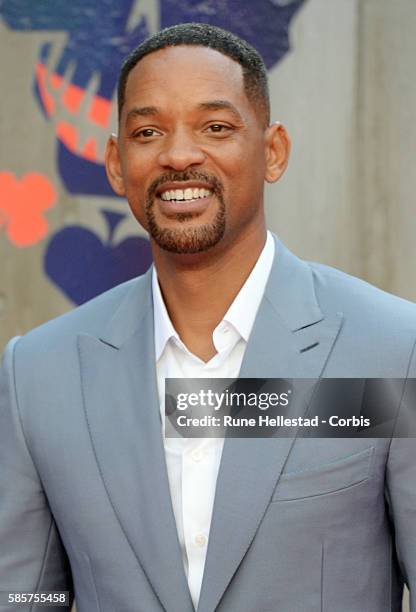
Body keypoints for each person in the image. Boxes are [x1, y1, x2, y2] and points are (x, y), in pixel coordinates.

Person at [0, 22, 415, 612]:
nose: (178, 155)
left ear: (272, 152)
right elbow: (22, 597)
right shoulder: (36, 375)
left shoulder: (393, 350)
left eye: (215, 127)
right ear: (117, 164)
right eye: (148, 131)